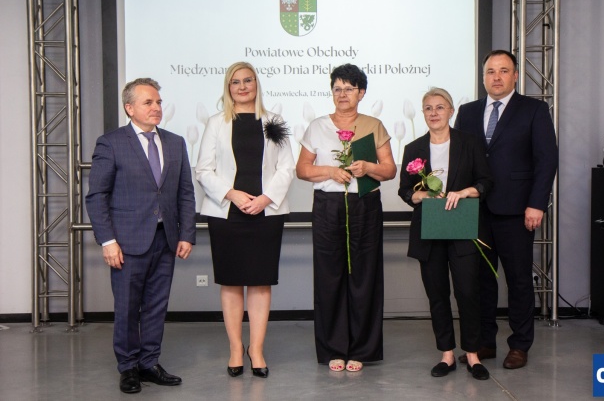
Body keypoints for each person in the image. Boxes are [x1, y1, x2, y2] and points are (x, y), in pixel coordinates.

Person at [85, 78, 196, 394]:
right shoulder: (111, 143)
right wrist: (108, 241)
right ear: (129, 108)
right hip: (126, 242)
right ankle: (128, 368)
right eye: (148, 102)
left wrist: (186, 233)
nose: (156, 107)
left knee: (156, 306)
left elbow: (185, 192)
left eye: (158, 102)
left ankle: (149, 363)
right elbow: (97, 196)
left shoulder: (175, 142)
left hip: (166, 238)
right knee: (127, 307)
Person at [454, 50, 559, 369]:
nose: (496, 77)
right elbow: (459, 158)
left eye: (503, 71)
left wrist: (537, 204)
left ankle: (520, 345)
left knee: (518, 280)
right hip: (475, 210)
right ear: (483, 76)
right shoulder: (468, 111)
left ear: (515, 76)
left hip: (517, 210)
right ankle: (485, 342)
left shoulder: (534, 110)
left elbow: (546, 160)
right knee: (481, 281)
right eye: (490, 71)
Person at [195, 62, 294, 379]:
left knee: (261, 282)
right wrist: (232, 194)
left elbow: (286, 168)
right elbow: (203, 170)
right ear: (228, 87)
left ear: (256, 84)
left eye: (247, 80)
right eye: (235, 82)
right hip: (227, 213)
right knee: (231, 282)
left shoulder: (274, 121)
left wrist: (265, 198)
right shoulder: (216, 123)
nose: (242, 86)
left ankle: (257, 350)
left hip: (266, 212)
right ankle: (236, 349)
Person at [296, 63, 396, 372]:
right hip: (328, 206)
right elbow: (302, 170)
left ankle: (362, 350)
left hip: (365, 204)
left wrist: (368, 168)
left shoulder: (373, 125)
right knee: (329, 275)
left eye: (349, 89)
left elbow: (389, 170)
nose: (342, 94)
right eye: (337, 88)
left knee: (365, 275)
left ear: (361, 93)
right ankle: (333, 348)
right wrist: (329, 171)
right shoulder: (317, 126)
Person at [398, 87, 493, 380]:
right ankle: (447, 354)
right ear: (423, 113)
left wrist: (466, 192)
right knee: (437, 294)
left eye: (440, 107)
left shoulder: (469, 142)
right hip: (429, 230)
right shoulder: (413, 148)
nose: (434, 113)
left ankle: (473, 355)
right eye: (428, 108)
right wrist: (422, 195)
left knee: (468, 292)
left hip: (463, 227)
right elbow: (404, 191)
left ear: (451, 111)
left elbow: (486, 181)